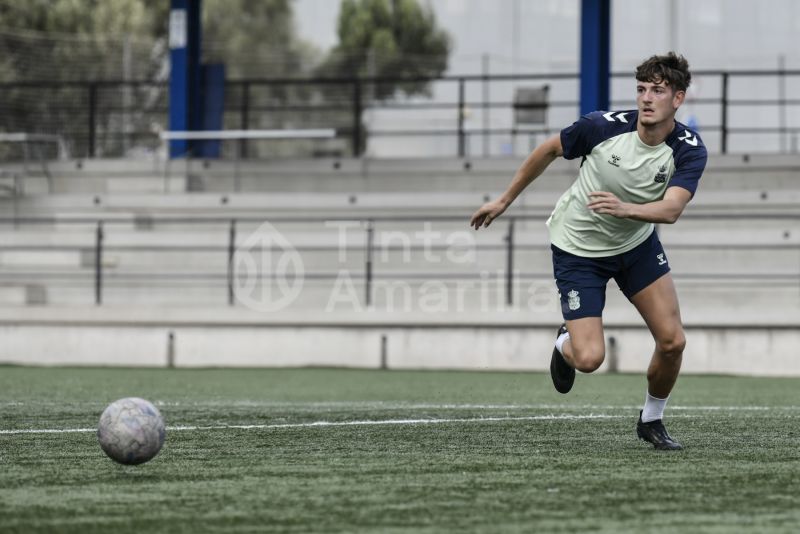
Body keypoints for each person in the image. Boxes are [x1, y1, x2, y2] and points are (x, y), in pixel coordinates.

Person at [469, 52, 707, 450]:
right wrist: (504, 200)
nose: (647, 98)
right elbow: (548, 149)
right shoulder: (600, 127)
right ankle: (565, 345)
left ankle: (651, 420)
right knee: (590, 358)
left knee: (673, 342)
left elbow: (672, 208)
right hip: (578, 249)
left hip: (635, 246)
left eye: (658, 91)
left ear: (678, 99)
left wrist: (625, 209)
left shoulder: (688, 148)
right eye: (642, 89)